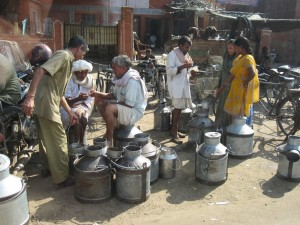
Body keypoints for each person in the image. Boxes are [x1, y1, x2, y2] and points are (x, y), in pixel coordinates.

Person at [22, 35, 89, 188]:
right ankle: (62, 178)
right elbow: (40, 70)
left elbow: (58, 93)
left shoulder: (67, 61)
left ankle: (47, 169)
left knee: (45, 138)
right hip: (45, 102)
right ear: (79, 48)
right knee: (59, 140)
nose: (82, 56)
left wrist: (70, 112)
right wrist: (30, 97)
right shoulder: (64, 55)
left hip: (43, 102)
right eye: (83, 53)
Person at [90, 54, 147, 146]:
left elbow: (129, 104)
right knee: (100, 101)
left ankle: (109, 138)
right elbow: (114, 95)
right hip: (126, 107)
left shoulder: (132, 81)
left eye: (114, 68)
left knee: (109, 108)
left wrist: (112, 103)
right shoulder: (121, 78)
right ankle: (113, 127)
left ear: (123, 68)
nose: (113, 70)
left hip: (134, 112)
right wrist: (97, 94)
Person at [217, 36, 259, 126]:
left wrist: (245, 82)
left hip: (240, 92)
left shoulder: (248, 58)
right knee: (229, 112)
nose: (234, 50)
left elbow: (252, 73)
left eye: (235, 47)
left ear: (240, 47)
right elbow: (232, 74)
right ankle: (231, 133)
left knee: (237, 116)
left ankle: (235, 135)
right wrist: (222, 86)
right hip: (234, 89)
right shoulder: (240, 57)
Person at [166, 36, 194, 144]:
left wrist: (191, 71)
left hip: (183, 85)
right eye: (186, 47)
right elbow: (169, 71)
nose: (188, 49)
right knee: (177, 109)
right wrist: (184, 66)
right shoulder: (172, 55)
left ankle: (175, 129)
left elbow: (189, 68)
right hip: (175, 85)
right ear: (180, 45)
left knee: (180, 108)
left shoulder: (185, 54)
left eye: (189, 47)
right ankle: (174, 131)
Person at [60, 60, 94, 144]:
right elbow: (67, 102)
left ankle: (81, 143)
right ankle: (77, 144)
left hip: (82, 107)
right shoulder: (69, 80)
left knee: (83, 119)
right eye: (80, 73)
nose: (83, 75)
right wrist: (78, 99)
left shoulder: (90, 81)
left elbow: (90, 99)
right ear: (75, 72)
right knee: (78, 118)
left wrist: (81, 108)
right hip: (67, 108)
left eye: (85, 73)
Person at [215, 39, 237, 127]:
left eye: (231, 48)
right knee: (221, 106)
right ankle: (219, 126)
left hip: (231, 86)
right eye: (228, 48)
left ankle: (228, 128)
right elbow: (221, 72)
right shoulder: (225, 57)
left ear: (236, 48)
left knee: (229, 108)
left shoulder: (237, 59)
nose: (229, 50)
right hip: (223, 85)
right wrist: (219, 85)